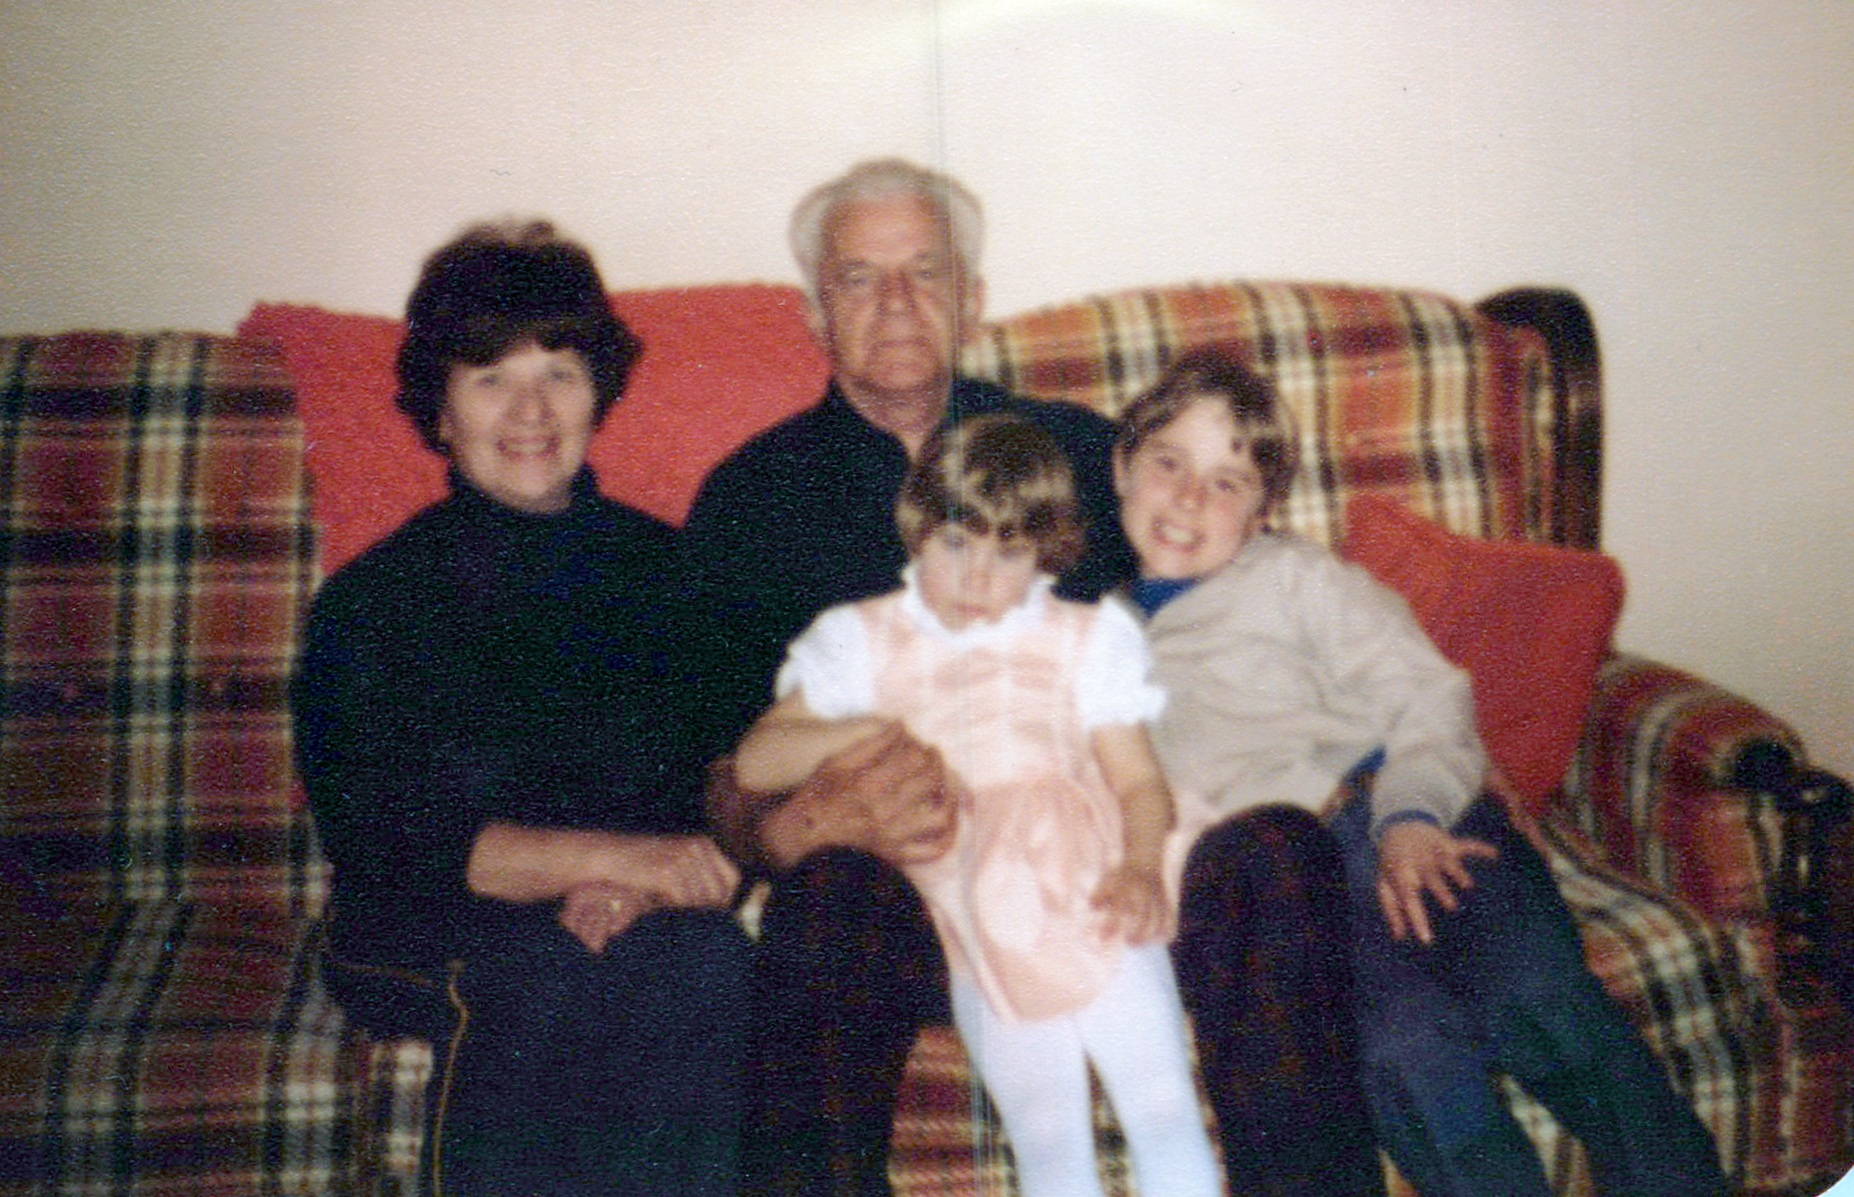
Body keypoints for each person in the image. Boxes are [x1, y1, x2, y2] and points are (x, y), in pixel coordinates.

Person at [688, 157, 1382, 1197]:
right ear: (814, 312)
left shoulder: (1080, 454)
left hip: (1107, 861)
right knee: (824, 903)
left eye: (926, 271)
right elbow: (715, 762)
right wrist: (788, 830)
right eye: (859, 277)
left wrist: (1412, 739)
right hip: (914, 890)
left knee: (1279, 849)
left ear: (972, 296)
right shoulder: (750, 501)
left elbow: (1256, 591)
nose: (896, 301)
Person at [1113, 345, 1728, 1197]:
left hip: (1414, 817)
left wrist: (1410, 816)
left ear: (1262, 512)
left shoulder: (1295, 576)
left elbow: (1428, 696)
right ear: (1123, 466)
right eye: (1168, 463)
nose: (1188, 498)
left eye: (1227, 482)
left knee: (1538, 997)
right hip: (1304, 891)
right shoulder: (1092, 642)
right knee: (1406, 1057)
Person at [292, 220, 752, 1197]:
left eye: (560, 372)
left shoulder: (673, 570)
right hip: (431, 921)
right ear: (440, 408)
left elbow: (723, 774)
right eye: (491, 376)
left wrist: (644, 887)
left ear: (598, 393)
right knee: (542, 970)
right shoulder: (375, 599)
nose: (531, 408)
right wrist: (611, 862)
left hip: (640, 908)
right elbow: (387, 835)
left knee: (707, 960)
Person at [735, 413, 1223, 1197]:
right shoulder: (862, 638)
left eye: (1009, 553)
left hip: (1090, 881)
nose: (977, 579)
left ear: (1045, 553)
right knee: (1047, 1138)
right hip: (965, 909)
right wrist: (873, 729)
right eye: (957, 544)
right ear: (918, 529)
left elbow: (1138, 781)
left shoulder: (1083, 636)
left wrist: (1138, 868)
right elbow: (758, 759)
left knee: (1161, 1105)